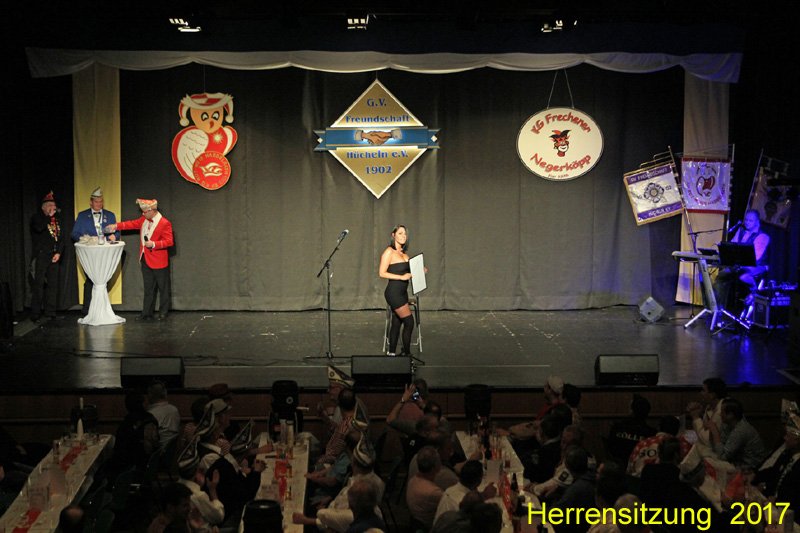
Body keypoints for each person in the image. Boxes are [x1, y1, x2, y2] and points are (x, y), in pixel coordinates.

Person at [105, 198, 173, 320]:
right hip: (145, 258)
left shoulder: (164, 223)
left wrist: (154, 244)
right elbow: (131, 224)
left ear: (152, 211)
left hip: (159, 261)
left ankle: (163, 312)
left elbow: (169, 241)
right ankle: (146, 313)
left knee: (163, 288)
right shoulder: (144, 220)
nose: (143, 213)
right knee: (148, 288)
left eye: (145, 211)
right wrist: (116, 226)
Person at [70, 186, 119, 314]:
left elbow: (117, 233)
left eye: (101, 201)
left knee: (103, 280)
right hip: (90, 254)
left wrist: (114, 236)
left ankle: (102, 310)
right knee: (91, 280)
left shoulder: (110, 215)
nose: (99, 204)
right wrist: (86, 239)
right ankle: (87, 310)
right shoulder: (82, 216)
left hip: (105, 253)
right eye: (96, 202)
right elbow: (74, 234)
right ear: (91, 202)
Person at [714, 208, 770, 310]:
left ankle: (754, 290)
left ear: (757, 222)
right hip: (740, 265)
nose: (747, 222)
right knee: (722, 276)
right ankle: (718, 309)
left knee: (743, 276)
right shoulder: (741, 231)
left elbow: (756, 257)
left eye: (750, 220)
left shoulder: (763, 236)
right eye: (746, 220)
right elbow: (732, 245)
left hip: (758, 266)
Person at [29, 191, 65, 322]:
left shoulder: (57, 220)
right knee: (38, 285)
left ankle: (50, 312)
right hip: (41, 255)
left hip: (54, 256)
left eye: (54, 205)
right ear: (43, 207)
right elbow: (38, 228)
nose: (53, 208)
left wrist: (59, 252)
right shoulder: (37, 218)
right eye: (50, 205)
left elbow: (61, 238)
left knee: (52, 285)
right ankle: (35, 314)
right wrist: (47, 217)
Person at [379, 224, 415, 356]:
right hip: (394, 293)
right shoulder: (389, 252)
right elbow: (382, 273)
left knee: (397, 322)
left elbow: (410, 270)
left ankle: (392, 354)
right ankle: (407, 355)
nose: (403, 236)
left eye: (405, 234)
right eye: (400, 233)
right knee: (409, 322)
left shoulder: (404, 254)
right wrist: (401, 277)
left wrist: (420, 270)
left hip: (402, 293)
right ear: (393, 235)